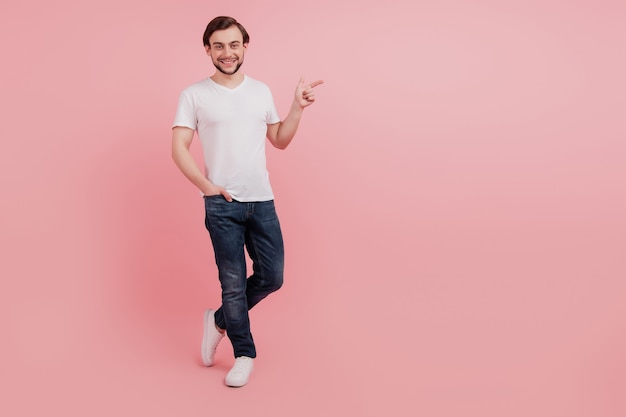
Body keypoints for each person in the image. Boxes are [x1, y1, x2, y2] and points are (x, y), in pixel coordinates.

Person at [171, 16, 323, 387]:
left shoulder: (260, 91)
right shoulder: (194, 95)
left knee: (272, 276)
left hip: (262, 201)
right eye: (219, 46)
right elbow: (179, 148)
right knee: (233, 284)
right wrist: (206, 186)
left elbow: (280, 140)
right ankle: (244, 354)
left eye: (234, 44)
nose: (227, 52)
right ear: (207, 50)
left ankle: (219, 321)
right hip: (222, 204)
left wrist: (297, 108)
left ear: (245, 47)